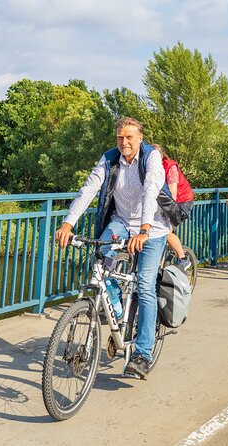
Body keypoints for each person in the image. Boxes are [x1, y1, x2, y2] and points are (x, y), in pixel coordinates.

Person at [55, 116, 168, 379]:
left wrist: (144, 229)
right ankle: (116, 309)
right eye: (120, 137)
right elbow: (88, 190)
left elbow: (151, 191)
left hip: (151, 228)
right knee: (100, 261)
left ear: (140, 137)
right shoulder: (109, 158)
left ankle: (142, 354)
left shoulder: (151, 158)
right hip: (120, 223)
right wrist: (68, 223)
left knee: (145, 285)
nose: (124, 142)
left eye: (129, 137)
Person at [152, 144, 193, 271]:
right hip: (163, 202)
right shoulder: (150, 168)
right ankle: (159, 265)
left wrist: (169, 219)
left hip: (182, 201)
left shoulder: (170, 168)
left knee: (166, 231)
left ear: (161, 156)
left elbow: (172, 195)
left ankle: (183, 259)